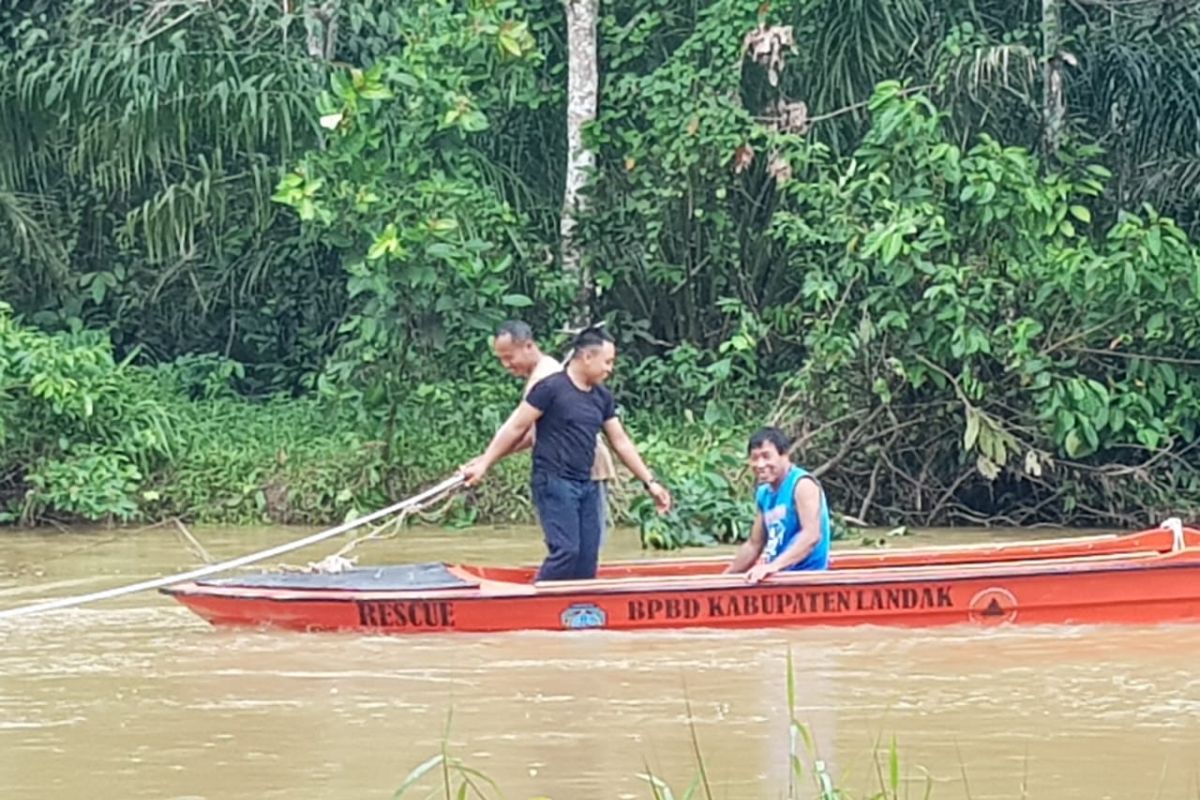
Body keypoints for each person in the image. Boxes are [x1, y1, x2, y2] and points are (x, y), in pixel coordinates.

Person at [461, 326, 671, 581]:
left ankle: (577, 615)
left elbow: (620, 441)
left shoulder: (601, 397)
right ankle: (533, 605)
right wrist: (485, 463)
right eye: (607, 362)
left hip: (587, 484)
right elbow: (517, 427)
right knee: (566, 552)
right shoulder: (550, 388)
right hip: (554, 482)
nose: (610, 369)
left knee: (587, 558)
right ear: (587, 357)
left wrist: (650, 483)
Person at [461, 320, 619, 542]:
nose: (506, 364)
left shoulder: (545, 378)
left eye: (509, 357)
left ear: (528, 346)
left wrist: (487, 461)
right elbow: (525, 430)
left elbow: (521, 430)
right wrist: (485, 460)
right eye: (501, 359)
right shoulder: (548, 372)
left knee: (575, 549)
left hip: (581, 468)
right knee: (572, 549)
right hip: (569, 468)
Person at [725, 426, 831, 582]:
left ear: (784, 455)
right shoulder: (764, 493)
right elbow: (754, 545)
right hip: (778, 576)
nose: (760, 465)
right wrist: (725, 577)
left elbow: (811, 535)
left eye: (767, 457)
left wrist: (773, 566)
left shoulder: (802, 485)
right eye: (755, 458)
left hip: (806, 578)